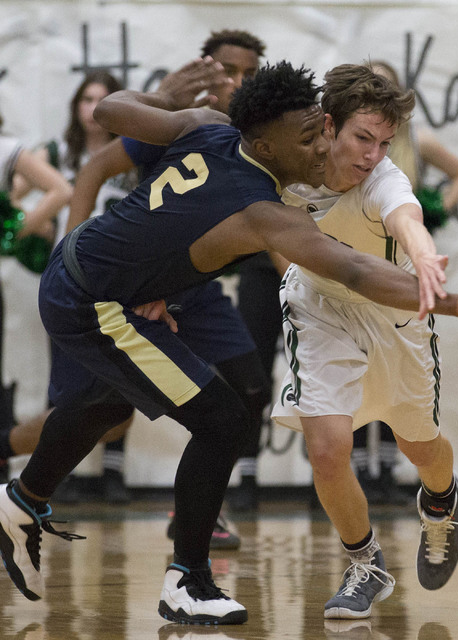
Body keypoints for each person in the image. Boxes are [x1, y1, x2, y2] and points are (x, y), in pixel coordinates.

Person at [0, 57, 458, 625]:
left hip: (90, 268)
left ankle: (22, 501)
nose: (319, 146)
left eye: (322, 131)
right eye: (309, 136)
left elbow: (112, 111)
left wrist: (161, 98)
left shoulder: (206, 125)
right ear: (262, 141)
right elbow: (351, 271)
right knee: (225, 420)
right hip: (96, 301)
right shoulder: (264, 210)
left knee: (119, 396)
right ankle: (189, 578)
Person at [270, 63, 458, 620]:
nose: (372, 153)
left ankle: (441, 500)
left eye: (384, 142)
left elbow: (407, 219)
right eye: (362, 138)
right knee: (326, 448)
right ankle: (365, 563)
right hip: (319, 307)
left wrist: (421, 255)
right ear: (327, 125)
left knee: (420, 447)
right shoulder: (285, 168)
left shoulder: (384, 180)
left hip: (396, 312)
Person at [0, 29, 267, 547]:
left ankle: (202, 511)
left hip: (193, 289)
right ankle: (11, 462)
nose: (237, 81)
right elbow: (96, 167)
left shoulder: (264, 136)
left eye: (248, 73)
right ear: (204, 70)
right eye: (227, 70)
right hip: (128, 285)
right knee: (103, 408)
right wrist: (70, 253)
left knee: (248, 389)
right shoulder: (181, 120)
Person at [10, 71, 138, 505]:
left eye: (101, 99)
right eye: (85, 99)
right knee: (66, 383)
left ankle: (114, 473)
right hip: (69, 281)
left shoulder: (134, 152)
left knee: (126, 378)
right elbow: (14, 194)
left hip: (121, 279)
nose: (92, 108)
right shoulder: (57, 152)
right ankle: (49, 472)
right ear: (75, 106)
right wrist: (36, 225)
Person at [348, 60, 458, 505]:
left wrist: (435, 210)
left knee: (395, 378)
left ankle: (393, 475)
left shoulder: (412, 145)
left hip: (400, 260)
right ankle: (356, 472)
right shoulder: (333, 152)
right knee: (354, 373)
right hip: (351, 265)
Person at [0, 113, 72, 474]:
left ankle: (18, 474)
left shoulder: (7, 149)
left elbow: (62, 189)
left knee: (23, 368)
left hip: (16, 276)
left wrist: (13, 229)